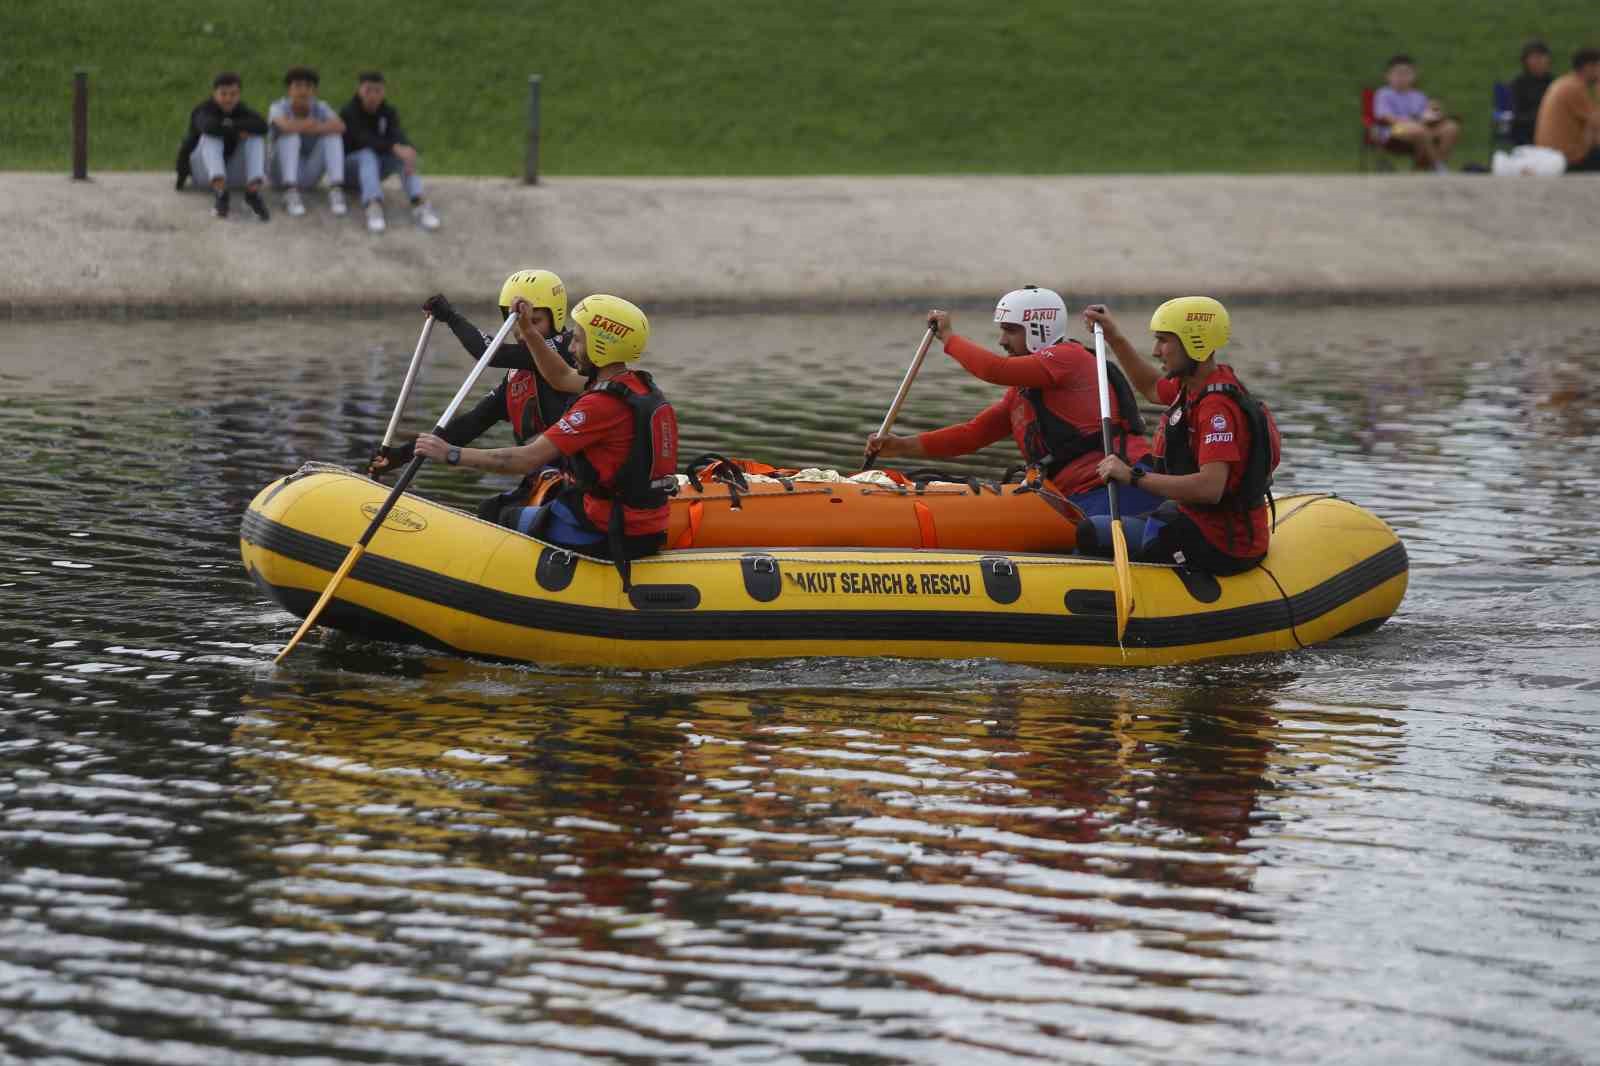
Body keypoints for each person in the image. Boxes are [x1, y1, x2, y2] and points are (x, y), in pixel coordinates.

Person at [413, 295, 679, 571]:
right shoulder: (635, 385)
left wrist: (451, 454)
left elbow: (525, 460)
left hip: (612, 529)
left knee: (494, 513)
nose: (571, 347)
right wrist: (528, 331)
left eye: (577, 340)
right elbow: (560, 377)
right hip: (642, 522)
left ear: (601, 346)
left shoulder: (601, 405)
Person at [864, 286, 1161, 518]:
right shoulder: (1024, 391)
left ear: (1038, 328)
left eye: (1010, 330)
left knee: (1084, 543)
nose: (1002, 341)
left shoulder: (1068, 359)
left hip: (1119, 490)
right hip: (1075, 495)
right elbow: (971, 435)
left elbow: (994, 370)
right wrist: (899, 445)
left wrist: (949, 337)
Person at [1079, 298, 1281, 577]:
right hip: (1194, 520)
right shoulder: (1192, 387)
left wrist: (1133, 477)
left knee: (1099, 537)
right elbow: (1150, 387)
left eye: (1163, 341)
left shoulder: (1216, 408)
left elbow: (1210, 488)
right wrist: (1113, 336)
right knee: (1090, 532)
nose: (1156, 351)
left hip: (1223, 544)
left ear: (1194, 342)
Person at [369, 270, 589, 521]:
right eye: (515, 321)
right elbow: (469, 425)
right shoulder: (516, 378)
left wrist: (451, 317)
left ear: (556, 317)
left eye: (533, 321)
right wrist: (400, 455)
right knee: (489, 510)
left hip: (574, 485)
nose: (521, 331)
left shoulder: (566, 349)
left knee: (503, 514)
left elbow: (489, 352)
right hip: (541, 479)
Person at [339, 71, 440, 233]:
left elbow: (397, 134)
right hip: (349, 170)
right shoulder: (349, 112)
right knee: (368, 154)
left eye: (377, 91)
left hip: (374, 170)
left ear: (383, 92)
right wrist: (394, 147)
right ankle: (373, 205)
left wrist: (408, 150)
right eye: (368, 90)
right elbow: (364, 139)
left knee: (403, 157)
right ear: (359, 91)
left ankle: (419, 201)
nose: (373, 96)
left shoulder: (388, 112)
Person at [174, 72, 271, 221]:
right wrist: (237, 130)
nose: (228, 99)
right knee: (210, 137)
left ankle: (252, 194)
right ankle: (221, 195)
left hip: (233, 174)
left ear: (239, 95)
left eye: (233, 94)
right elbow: (208, 127)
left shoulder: (241, 109)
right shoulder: (203, 109)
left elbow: (263, 126)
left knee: (255, 138)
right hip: (204, 174)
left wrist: (229, 125)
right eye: (223, 94)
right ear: (215, 94)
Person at [267, 66, 347, 218]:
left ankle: (336, 189)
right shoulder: (277, 106)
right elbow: (284, 126)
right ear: (289, 90)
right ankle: (290, 192)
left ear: (314, 91)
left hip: (308, 175)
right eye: (297, 86)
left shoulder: (320, 106)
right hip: (279, 175)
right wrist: (312, 125)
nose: (303, 91)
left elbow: (340, 126)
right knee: (290, 136)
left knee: (333, 136)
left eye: (308, 87)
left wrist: (308, 126)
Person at [1371, 54, 1460, 172]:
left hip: (1421, 128)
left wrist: (1435, 112)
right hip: (1393, 131)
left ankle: (1434, 165)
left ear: (1414, 76)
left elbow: (1426, 116)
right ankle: (1436, 167)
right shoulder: (1383, 94)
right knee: (1419, 131)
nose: (1402, 77)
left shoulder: (1418, 96)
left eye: (1407, 73)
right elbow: (1386, 117)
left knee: (1451, 128)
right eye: (1398, 73)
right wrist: (1414, 123)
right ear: (1388, 76)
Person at [1535, 47, 1600, 173]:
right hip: (1565, 158)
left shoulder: (1565, 83)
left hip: (1551, 153)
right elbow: (1597, 122)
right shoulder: (1574, 88)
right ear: (1588, 67)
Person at [1509, 40, 1554, 146]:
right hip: (1526, 128)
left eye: (1542, 57)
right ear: (1526, 61)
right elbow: (1515, 113)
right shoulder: (1518, 84)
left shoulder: (1554, 83)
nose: (1539, 61)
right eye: (1535, 57)